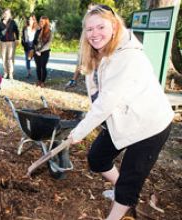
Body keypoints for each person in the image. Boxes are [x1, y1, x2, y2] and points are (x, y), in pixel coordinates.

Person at [67, 5, 174, 219]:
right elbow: (100, 95)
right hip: (123, 118)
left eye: (100, 27)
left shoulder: (128, 57)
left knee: (130, 179)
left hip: (149, 125)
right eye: (89, 29)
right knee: (97, 158)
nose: (94, 34)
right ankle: (120, 190)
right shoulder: (99, 52)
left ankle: (119, 207)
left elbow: (106, 102)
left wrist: (79, 132)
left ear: (114, 26)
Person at [0, 9, 19, 80]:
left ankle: (11, 73)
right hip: (2, 42)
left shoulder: (12, 22)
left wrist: (17, 39)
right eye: (5, 13)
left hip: (11, 42)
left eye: (7, 13)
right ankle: (5, 72)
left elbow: (16, 31)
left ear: (9, 14)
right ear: (3, 14)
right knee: (3, 58)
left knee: (10, 58)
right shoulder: (0, 23)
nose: (6, 14)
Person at [33, 16, 53, 87]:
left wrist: (40, 51)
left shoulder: (49, 32)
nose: (40, 23)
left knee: (43, 66)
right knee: (38, 67)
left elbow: (48, 43)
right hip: (36, 52)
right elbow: (34, 41)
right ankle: (39, 80)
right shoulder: (38, 31)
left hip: (45, 52)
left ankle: (43, 82)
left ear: (46, 23)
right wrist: (35, 49)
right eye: (40, 21)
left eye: (42, 21)